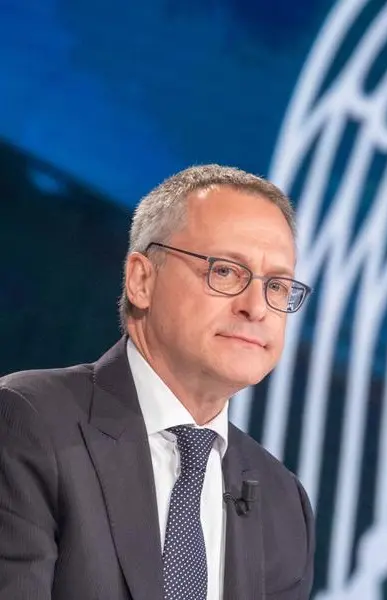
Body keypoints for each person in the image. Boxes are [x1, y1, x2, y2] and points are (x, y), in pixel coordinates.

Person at [0, 165, 315, 599]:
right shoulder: (28, 422)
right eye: (225, 271)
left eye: (277, 286)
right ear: (141, 280)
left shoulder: (283, 503)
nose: (256, 308)